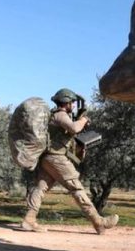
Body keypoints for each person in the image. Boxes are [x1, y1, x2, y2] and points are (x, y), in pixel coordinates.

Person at [20, 88, 119, 234]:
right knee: (76, 188)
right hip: (56, 158)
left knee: (41, 188)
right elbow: (73, 128)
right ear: (65, 102)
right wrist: (83, 120)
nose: (73, 105)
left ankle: (29, 219)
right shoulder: (60, 115)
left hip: (48, 158)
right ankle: (99, 222)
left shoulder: (56, 116)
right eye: (71, 102)